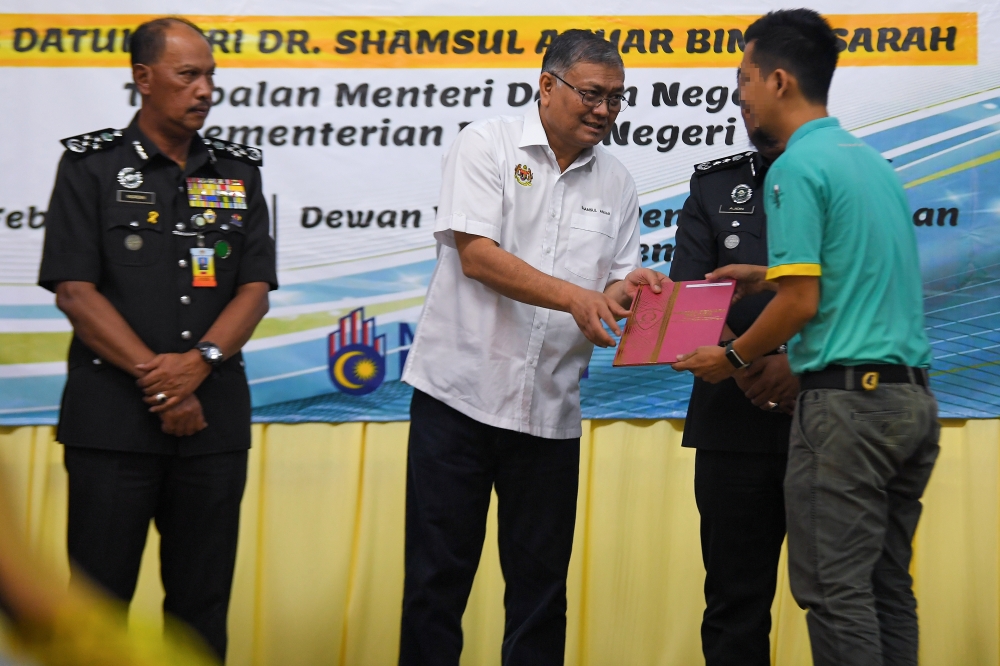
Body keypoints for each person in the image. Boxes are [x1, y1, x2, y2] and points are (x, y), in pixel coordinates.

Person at [675, 9, 939, 666]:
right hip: (911, 404)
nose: (739, 93)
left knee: (834, 592)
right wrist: (766, 272)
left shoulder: (795, 168)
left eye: (745, 78)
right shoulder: (873, 165)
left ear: (780, 81)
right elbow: (853, 273)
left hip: (847, 408)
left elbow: (802, 301)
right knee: (885, 590)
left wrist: (731, 355)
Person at [399, 29, 665, 666]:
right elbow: (477, 257)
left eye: (616, 99)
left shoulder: (619, 182)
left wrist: (632, 289)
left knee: (542, 592)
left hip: (549, 412)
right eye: (592, 95)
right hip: (458, 399)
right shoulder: (484, 144)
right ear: (547, 86)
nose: (604, 111)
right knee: (437, 583)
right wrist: (578, 298)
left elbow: (609, 283)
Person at [37, 17, 276, 660]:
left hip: (213, 426)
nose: (205, 90)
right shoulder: (89, 168)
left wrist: (198, 365)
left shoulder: (239, 171)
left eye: (210, 77)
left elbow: (254, 288)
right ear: (144, 79)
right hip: (111, 427)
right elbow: (74, 290)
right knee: (96, 606)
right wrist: (164, 383)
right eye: (187, 75)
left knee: (201, 606)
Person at [669, 106, 797, 665]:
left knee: (845, 596)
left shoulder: (846, 178)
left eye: (752, 89)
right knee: (733, 605)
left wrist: (797, 363)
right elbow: (686, 298)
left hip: (824, 409)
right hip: (732, 421)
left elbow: (859, 284)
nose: (747, 109)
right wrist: (747, 366)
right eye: (739, 99)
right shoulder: (715, 184)